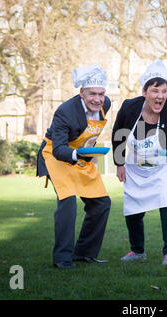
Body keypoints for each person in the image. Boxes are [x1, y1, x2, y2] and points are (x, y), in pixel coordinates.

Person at [111, 60, 167, 265]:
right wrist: (119, 163)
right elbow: (118, 134)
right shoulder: (129, 107)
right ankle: (137, 250)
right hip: (137, 164)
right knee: (132, 205)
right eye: (155, 90)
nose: (160, 96)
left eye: (164, 91)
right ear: (144, 91)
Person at [36, 65, 111, 269]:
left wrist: (87, 152)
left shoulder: (106, 104)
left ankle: (84, 253)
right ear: (81, 93)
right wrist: (78, 154)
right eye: (92, 94)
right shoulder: (65, 112)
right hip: (57, 155)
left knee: (101, 203)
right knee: (68, 203)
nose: (97, 99)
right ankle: (62, 258)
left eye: (101, 94)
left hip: (81, 156)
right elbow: (59, 148)